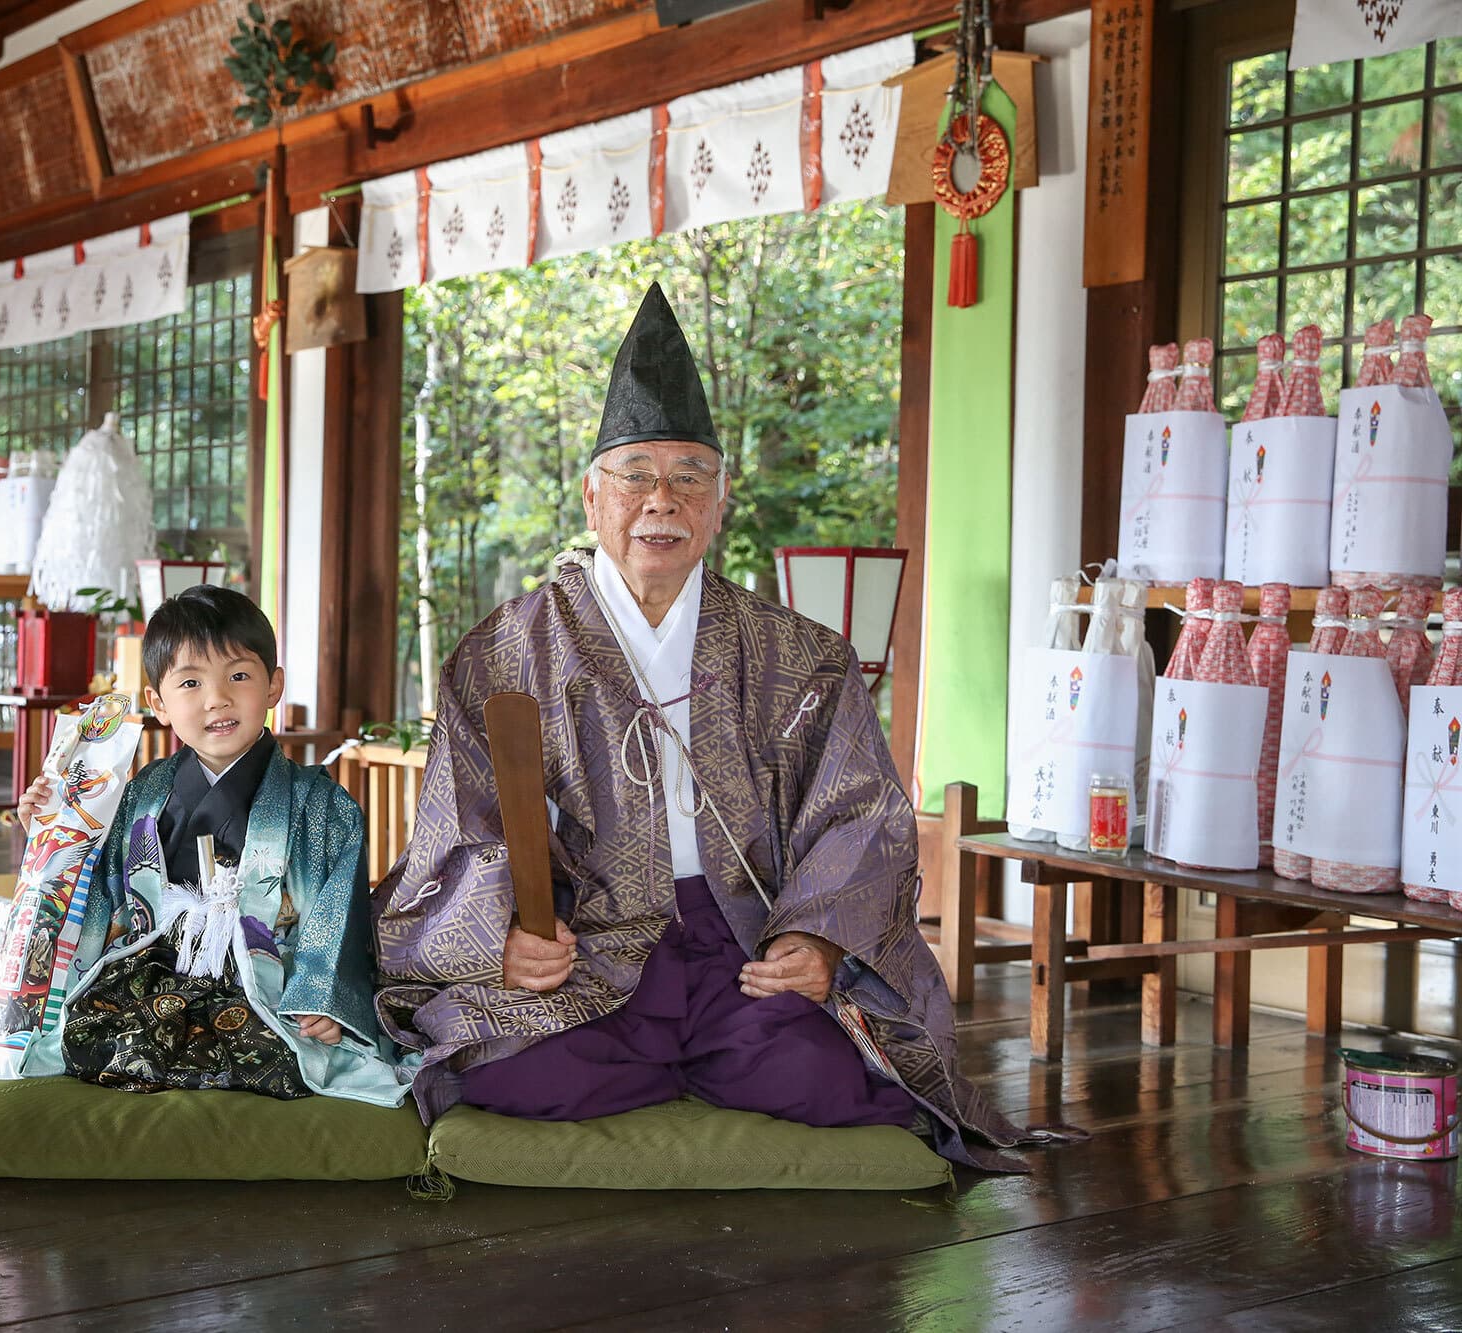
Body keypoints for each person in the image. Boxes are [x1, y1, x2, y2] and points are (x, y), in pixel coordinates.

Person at [370, 283, 1026, 1169]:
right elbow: (463, 828)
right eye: (637, 476)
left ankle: (697, 1054)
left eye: (689, 478)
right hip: (592, 943)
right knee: (510, 1073)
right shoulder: (506, 652)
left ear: (719, 501)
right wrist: (509, 936)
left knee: (840, 1081)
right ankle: (686, 1059)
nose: (662, 502)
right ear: (594, 497)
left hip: (740, 934)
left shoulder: (797, 652)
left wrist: (815, 935)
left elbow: (859, 809)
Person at [5, 584, 410, 1106]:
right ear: (159, 704)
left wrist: (322, 1000)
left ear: (273, 686)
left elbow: (335, 916)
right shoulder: (144, 793)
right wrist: (51, 824)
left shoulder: (319, 803)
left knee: (279, 1048)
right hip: (153, 970)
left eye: (238, 676)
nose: (217, 698)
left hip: (265, 984)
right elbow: (97, 888)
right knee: (96, 1030)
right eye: (190, 683)